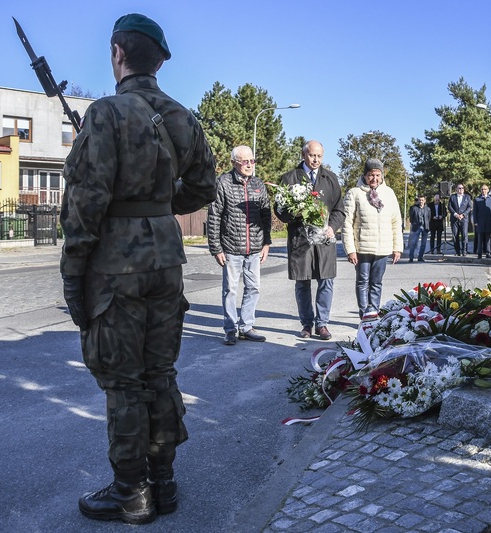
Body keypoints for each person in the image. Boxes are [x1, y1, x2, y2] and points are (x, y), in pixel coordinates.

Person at [60, 14, 216, 525]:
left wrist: (72, 274)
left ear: (117, 54)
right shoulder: (184, 119)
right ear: (159, 61)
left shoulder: (105, 114)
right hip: (167, 261)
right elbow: (202, 189)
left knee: (125, 383)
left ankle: (131, 492)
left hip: (117, 266)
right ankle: (163, 483)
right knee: (160, 373)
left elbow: (85, 204)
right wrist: (157, 202)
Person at [275, 140, 345, 340]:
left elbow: (340, 210)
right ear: (303, 155)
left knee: (326, 281)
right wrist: (294, 213)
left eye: (320, 156)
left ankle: (322, 324)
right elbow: (279, 209)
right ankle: (306, 324)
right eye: (313, 155)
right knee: (302, 282)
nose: (316, 160)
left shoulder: (330, 179)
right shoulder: (289, 178)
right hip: (301, 240)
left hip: (324, 241)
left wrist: (332, 227)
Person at [207, 145, 271, 345]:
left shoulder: (259, 184)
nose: (250, 165)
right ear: (234, 162)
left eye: (252, 161)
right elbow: (214, 215)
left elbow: (266, 216)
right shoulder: (223, 183)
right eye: (245, 161)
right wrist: (215, 247)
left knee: (253, 288)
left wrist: (266, 242)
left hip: (254, 248)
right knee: (230, 290)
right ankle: (229, 329)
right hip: (231, 247)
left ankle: (246, 326)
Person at [342, 158, 403, 319]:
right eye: (371, 175)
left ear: (382, 176)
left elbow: (396, 221)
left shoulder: (389, 194)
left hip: (382, 248)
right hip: (362, 248)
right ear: (364, 175)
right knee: (363, 282)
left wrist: (397, 248)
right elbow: (347, 223)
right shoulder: (354, 194)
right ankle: (364, 315)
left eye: (377, 175)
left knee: (376, 283)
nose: (374, 179)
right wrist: (350, 250)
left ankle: (373, 312)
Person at [449, 183, 472, 256]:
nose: (460, 190)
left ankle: (464, 251)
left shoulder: (467, 197)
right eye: (459, 188)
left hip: (464, 219)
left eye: (462, 188)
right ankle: (457, 251)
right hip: (455, 219)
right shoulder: (452, 197)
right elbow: (449, 206)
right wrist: (455, 214)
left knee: (464, 235)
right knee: (455, 236)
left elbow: (469, 207)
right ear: (456, 189)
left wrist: (463, 214)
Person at [473, 184, 491, 259]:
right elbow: (475, 212)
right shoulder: (477, 199)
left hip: (489, 222)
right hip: (480, 222)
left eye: (485, 189)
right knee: (480, 238)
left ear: (488, 190)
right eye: (482, 189)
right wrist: (475, 221)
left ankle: (488, 253)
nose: (484, 191)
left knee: (488, 238)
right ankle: (479, 253)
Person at [407, 194, 430, 262]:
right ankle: (411, 257)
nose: (421, 201)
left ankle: (420, 257)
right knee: (413, 243)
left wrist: (427, 225)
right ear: (418, 200)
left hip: (425, 227)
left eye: (422, 200)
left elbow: (429, 218)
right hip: (416, 227)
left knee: (423, 243)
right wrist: (414, 223)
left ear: (425, 201)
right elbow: (411, 217)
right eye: (420, 200)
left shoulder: (427, 209)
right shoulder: (413, 208)